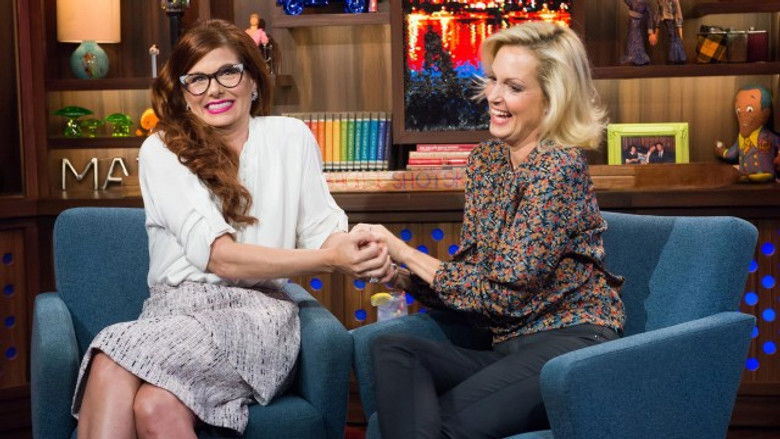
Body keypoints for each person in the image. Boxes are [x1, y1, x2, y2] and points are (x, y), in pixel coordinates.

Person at [70, 19, 391, 438]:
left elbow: (322, 230)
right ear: (184, 92)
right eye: (197, 79)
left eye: (227, 72)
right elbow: (218, 257)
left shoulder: (291, 137)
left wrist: (358, 249)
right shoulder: (162, 150)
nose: (214, 90)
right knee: (154, 406)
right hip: (172, 313)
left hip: (256, 317)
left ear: (253, 79)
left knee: (111, 358)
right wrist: (330, 259)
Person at [354, 21, 626, 438]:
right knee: (393, 349)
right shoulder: (487, 161)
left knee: (439, 427)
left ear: (552, 100)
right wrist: (403, 277)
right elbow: (474, 280)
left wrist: (405, 250)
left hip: (570, 345)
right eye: (493, 80)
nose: (494, 96)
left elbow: (501, 295)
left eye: (513, 87)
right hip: (505, 345)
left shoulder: (559, 168)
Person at [715, 84, 780, 181]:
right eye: (738, 111)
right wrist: (722, 151)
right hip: (745, 177)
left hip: (765, 176)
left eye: (750, 110)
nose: (742, 115)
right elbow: (732, 153)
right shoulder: (741, 139)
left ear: (766, 112)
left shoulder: (768, 136)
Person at [649, 0, 686, 64]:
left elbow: (678, 13)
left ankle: (676, 58)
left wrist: (679, 29)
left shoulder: (674, 1)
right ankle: (676, 58)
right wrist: (656, 31)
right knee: (672, 38)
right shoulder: (660, 1)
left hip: (673, 21)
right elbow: (658, 13)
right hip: (665, 21)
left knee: (674, 38)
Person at [622, 0, 651, 65]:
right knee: (632, 39)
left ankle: (639, 59)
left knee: (637, 39)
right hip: (632, 24)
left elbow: (650, 16)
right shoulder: (632, 1)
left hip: (637, 24)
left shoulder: (645, 3)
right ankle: (634, 58)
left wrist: (650, 30)